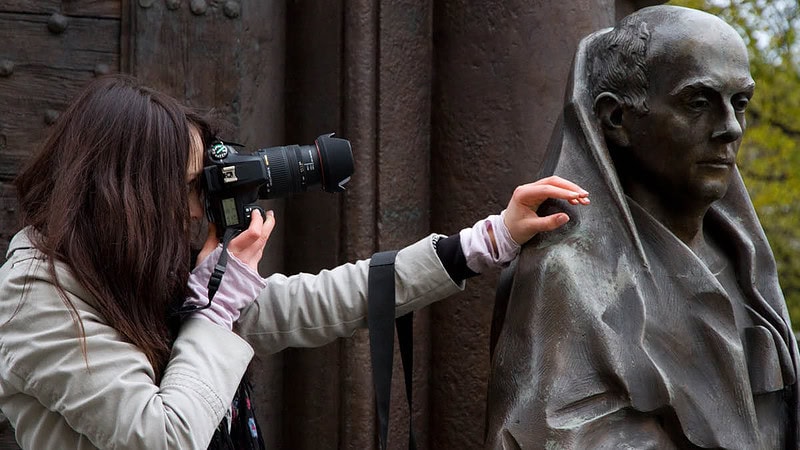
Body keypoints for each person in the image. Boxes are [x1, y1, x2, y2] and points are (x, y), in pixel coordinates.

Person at [0, 74, 589, 450]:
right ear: (127, 195)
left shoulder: (136, 266)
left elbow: (313, 302)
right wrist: (216, 306)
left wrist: (486, 241)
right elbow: (162, 436)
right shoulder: (38, 292)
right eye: (188, 189)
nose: (199, 210)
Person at [484, 5, 799, 449]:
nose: (730, 128)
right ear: (617, 119)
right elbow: (543, 435)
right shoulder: (569, 276)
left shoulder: (746, 264)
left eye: (740, 103)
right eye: (698, 102)